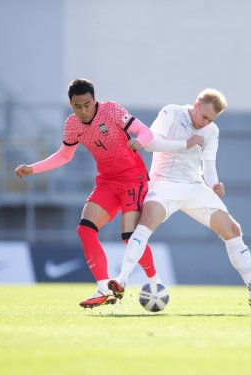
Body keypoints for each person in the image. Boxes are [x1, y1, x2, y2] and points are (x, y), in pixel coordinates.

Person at [108, 88, 251, 311]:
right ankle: (122, 280)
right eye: (204, 116)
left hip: (194, 186)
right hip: (164, 182)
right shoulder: (172, 112)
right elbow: (150, 143)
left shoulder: (212, 131)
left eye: (211, 119)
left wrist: (215, 184)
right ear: (196, 105)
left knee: (232, 229)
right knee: (146, 223)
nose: (205, 123)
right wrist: (186, 143)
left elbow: (209, 165)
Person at [15, 78, 161, 308]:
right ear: (71, 105)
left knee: (129, 237)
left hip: (134, 180)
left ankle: (155, 282)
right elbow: (64, 155)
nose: (83, 111)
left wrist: (139, 142)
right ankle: (104, 288)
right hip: (107, 183)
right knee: (85, 230)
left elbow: (145, 131)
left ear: (95, 100)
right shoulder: (72, 125)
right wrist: (33, 168)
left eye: (87, 104)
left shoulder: (112, 110)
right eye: (77, 106)